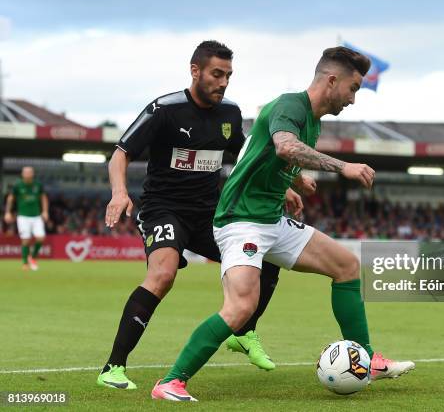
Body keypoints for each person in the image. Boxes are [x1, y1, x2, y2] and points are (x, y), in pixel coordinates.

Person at [152, 46, 415, 402]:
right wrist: (344, 167)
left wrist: (293, 181)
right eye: (352, 88)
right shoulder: (291, 106)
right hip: (241, 221)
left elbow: (266, 155)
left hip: (271, 219)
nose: (353, 99)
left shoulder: (314, 119)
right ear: (332, 80)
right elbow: (285, 147)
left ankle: (367, 359)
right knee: (241, 308)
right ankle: (171, 382)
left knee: (347, 266)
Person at [98, 40, 307, 390]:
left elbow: (245, 153)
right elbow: (120, 153)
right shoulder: (164, 109)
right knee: (162, 274)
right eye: (216, 74)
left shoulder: (230, 113)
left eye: (228, 75)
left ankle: (244, 332)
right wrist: (119, 193)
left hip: (211, 213)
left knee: (268, 255)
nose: (223, 82)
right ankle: (113, 367)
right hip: (163, 209)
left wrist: (280, 184)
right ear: (195, 71)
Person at [3, 166, 48, 271]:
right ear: (22, 174)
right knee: (25, 240)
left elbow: (43, 198)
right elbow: (11, 198)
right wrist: (7, 212)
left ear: (33, 174)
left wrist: (45, 211)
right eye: (25, 172)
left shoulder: (38, 185)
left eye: (29, 172)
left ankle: (32, 257)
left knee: (41, 237)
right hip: (23, 216)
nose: (27, 174)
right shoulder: (18, 185)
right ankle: (25, 263)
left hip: (36, 216)